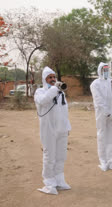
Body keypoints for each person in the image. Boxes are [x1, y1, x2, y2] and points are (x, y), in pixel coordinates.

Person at [34, 66, 71, 195]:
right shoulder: (40, 92)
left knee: (61, 156)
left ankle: (59, 180)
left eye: (54, 77)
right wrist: (55, 89)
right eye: (50, 77)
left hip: (61, 129)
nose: (53, 79)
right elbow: (43, 101)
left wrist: (67, 127)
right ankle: (49, 183)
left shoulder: (61, 94)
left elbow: (64, 111)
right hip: (48, 130)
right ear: (45, 79)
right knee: (50, 156)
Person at [90, 62, 112, 172]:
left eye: (108, 70)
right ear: (100, 71)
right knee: (102, 135)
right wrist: (107, 113)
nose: (106, 72)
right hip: (101, 114)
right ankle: (103, 160)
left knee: (111, 136)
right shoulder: (95, 84)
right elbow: (99, 101)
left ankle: (111, 159)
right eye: (104, 70)